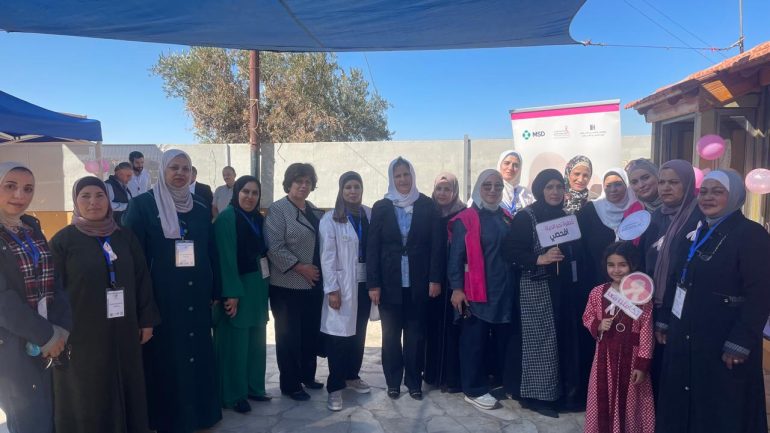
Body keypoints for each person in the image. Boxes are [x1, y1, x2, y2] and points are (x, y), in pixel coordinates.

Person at [656, 169, 770, 433]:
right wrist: (664, 319)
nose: (708, 198)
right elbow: (676, 278)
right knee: (688, 401)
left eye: (717, 192)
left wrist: (741, 341)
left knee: (721, 407)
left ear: (735, 196)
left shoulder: (751, 235)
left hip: (724, 337)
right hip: (687, 333)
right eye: (704, 192)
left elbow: (761, 293)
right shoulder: (696, 232)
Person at [50, 176, 160, 433]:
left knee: (125, 379)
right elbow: (53, 289)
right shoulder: (63, 241)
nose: (93, 202)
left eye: (99, 196)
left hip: (124, 327)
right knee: (89, 386)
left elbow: (142, 278)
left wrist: (146, 320)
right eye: (85, 196)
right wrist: (56, 330)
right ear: (76, 201)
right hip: (81, 332)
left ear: (109, 200)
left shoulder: (124, 237)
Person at [122, 149, 221, 433]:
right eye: (174, 167)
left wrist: (216, 289)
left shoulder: (200, 206)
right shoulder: (142, 205)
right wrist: (141, 303)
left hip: (197, 294)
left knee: (197, 353)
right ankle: (168, 419)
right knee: (167, 357)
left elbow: (210, 251)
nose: (180, 173)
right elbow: (134, 258)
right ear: (163, 171)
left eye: (185, 168)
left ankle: (201, 415)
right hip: (162, 297)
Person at [0, 162, 72, 433]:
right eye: (10, 186)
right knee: (29, 420)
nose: (20, 195)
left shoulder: (30, 228)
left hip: (48, 340)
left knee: (49, 415)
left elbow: (55, 280)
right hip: (12, 344)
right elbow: (3, 300)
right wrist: (46, 336)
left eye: (28, 189)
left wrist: (62, 328)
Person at [367, 157, 443, 400]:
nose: (402, 179)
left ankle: (413, 382)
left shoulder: (427, 205)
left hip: (419, 282)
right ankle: (393, 381)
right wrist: (373, 284)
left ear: (413, 176)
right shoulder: (381, 207)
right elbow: (372, 248)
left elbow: (437, 245)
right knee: (390, 336)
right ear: (392, 178)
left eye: (406, 174)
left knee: (416, 336)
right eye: (398, 175)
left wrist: (435, 279)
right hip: (389, 283)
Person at [507, 169, 580, 417]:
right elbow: (512, 252)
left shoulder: (566, 218)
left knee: (562, 340)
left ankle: (562, 393)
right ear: (540, 189)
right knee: (540, 342)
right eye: (549, 187)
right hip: (536, 288)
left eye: (559, 187)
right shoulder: (526, 217)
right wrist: (540, 258)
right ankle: (538, 395)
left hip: (564, 289)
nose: (555, 192)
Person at [447, 169, 514, 411]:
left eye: (498, 186)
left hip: (502, 289)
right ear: (478, 188)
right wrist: (457, 288)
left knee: (497, 341)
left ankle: (494, 380)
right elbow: (455, 257)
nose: (493, 190)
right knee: (473, 341)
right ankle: (473, 389)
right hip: (475, 291)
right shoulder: (466, 218)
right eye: (487, 186)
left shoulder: (506, 217)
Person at [638, 160, 701, 396]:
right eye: (662, 182)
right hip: (653, 301)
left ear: (688, 184)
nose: (666, 188)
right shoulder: (655, 216)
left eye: (674, 182)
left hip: (686, 308)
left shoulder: (699, 217)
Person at [264, 163, 325, 401]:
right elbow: (274, 247)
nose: (303, 185)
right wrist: (301, 268)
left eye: (308, 181)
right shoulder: (278, 210)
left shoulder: (314, 210)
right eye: (299, 181)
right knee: (289, 338)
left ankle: (307, 376)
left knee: (309, 334)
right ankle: (290, 385)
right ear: (289, 183)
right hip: (287, 286)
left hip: (312, 286)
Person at [213, 175, 271, 414]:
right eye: (245, 191)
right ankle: (234, 394)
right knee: (235, 344)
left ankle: (253, 387)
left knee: (255, 341)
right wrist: (231, 293)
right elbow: (225, 258)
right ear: (237, 192)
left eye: (255, 193)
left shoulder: (257, 217)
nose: (250, 197)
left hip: (257, 287)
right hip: (238, 288)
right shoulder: (227, 218)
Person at [583, 241, 654, 433]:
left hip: (631, 359)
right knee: (602, 395)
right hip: (604, 357)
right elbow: (587, 317)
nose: (616, 270)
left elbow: (646, 331)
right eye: (611, 265)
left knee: (630, 400)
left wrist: (642, 365)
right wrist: (598, 325)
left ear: (633, 264)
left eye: (622, 265)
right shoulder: (597, 292)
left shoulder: (641, 296)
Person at [319, 171, 373, 412]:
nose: (353, 191)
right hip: (342, 285)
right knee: (339, 337)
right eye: (348, 187)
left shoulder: (368, 214)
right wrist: (332, 289)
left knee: (359, 332)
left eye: (357, 186)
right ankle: (335, 387)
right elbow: (327, 257)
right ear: (341, 190)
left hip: (364, 284)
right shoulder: (330, 218)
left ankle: (352, 375)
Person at [424, 172, 466, 393]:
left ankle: (451, 377)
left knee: (454, 327)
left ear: (454, 191)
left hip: (456, 280)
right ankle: (431, 374)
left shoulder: (463, 214)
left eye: (447, 189)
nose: (442, 193)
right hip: (432, 279)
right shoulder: (428, 212)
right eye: (439, 189)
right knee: (432, 328)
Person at [496, 150, 534, 215]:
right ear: (500, 165)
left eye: (515, 165)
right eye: (507, 163)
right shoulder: (490, 191)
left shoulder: (526, 194)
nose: (510, 168)